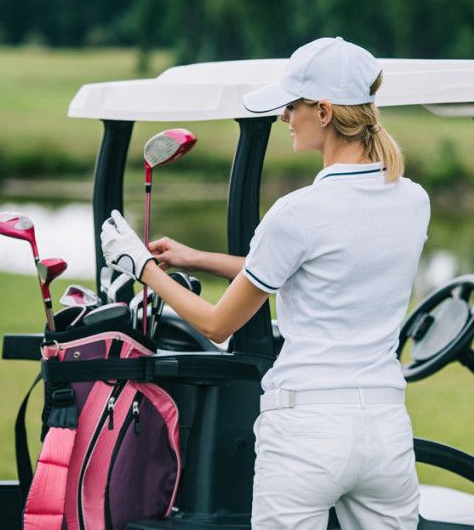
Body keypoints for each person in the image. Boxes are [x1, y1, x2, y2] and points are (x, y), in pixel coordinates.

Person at [100, 36, 430, 529]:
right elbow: (318, 268)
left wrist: (139, 267)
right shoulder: (412, 200)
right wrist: (195, 258)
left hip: (307, 431)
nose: (283, 117)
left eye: (291, 106)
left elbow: (216, 323)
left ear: (322, 111)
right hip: (385, 431)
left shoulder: (299, 212)